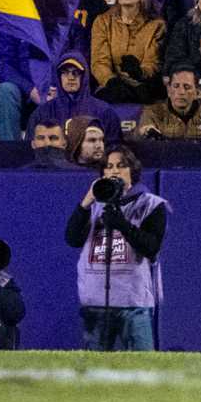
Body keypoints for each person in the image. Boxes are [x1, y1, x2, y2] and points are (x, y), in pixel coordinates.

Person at [64, 145, 167, 351]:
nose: (114, 171)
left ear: (133, 172)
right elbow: (72, 239)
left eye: (121, 166)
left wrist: (122, 224)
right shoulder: (93, 205)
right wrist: (86, 202)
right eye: (109, 167)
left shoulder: (151, 204)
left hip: (134, 301)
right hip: (96, 301)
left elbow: (151, 247)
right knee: (96, 369)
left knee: (143, 367)